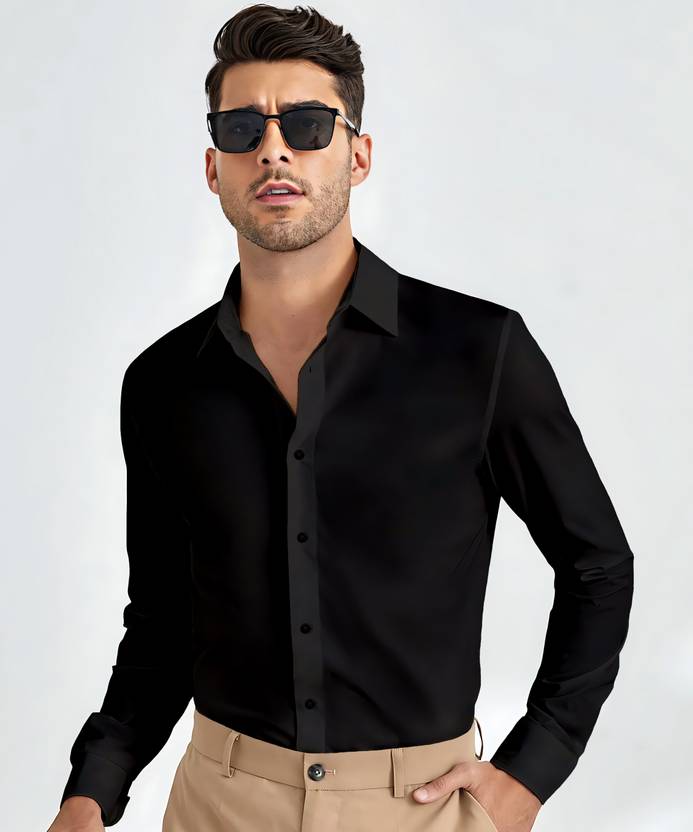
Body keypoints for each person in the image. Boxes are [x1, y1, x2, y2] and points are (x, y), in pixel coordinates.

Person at [49, 4, 635, 831]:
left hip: (420, 809)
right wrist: (91, 793)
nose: (273, 150)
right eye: (243, 128)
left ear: (357, 155)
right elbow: (162, 622)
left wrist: (530, 771)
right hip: (218, 802)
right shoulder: (162, 383)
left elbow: (596, 566)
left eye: (307, 124)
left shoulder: (478, 352)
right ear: (213, 167)